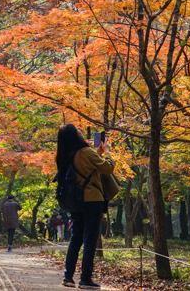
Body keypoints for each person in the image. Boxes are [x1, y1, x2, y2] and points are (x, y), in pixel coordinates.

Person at [57, 124, 114, 289]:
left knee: (76, 238)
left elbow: (82, 166)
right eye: (77, 129)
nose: (80, 130)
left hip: (75, 201)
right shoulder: (85, 151)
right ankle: (85, 279)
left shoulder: (65, 154)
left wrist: (97, 154)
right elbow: (107, 168)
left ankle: (68, 276)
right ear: (75, 134)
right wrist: (108, 151)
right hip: (92, 199)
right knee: (90, 239)